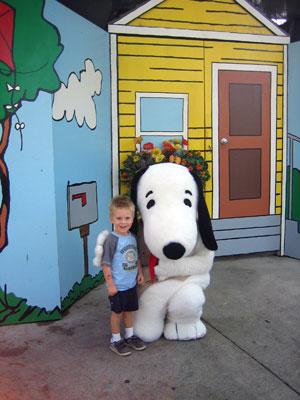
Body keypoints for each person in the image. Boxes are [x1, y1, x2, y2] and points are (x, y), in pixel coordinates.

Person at [101, 195, 146, 356]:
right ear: (112, 219)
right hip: (117, 286)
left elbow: (136, 257)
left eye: (127, 218)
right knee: (117, 313)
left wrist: (139, 273)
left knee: (129, 311)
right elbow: (105, 264)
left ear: (133, 219)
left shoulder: (132, 238)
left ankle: (129, 336)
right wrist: (111, 284)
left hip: (130, 284)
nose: (123, 222)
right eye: (119, 218)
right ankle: (115, 339)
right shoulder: (111, 240)